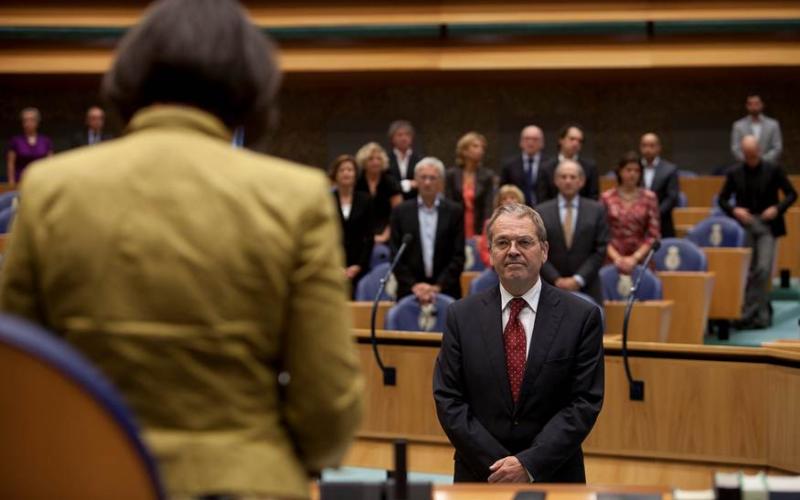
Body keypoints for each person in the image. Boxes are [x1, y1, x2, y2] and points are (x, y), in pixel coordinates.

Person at [0, 1, 363, 498]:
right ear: (250, 82)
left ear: (131, 74)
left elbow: (17, 381)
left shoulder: (50, 188)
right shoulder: (295, 197)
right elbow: (328, 410)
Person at [433, 203, 604, 483]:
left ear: (544, 250)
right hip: (480, 477)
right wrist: (500, 467)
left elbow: (584, 402)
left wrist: (529, 464)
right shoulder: (461, 316)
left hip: (554, 475)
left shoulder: (581, 317)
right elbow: (449, 399)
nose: (513, 250)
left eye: (524, 241)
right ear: (490, 253)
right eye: (502, 242)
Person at [719, 135, 797, 329]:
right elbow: (722, 200)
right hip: (745, 225)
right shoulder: (734, 172)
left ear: (759, 152)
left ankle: (750, 313)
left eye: (753, 155)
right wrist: (734, 210)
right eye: (747, 156)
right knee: (749, 272)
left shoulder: (773, 169)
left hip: (768, 226)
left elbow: (792, 194)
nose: (750, 159)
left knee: (763, 269)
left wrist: (777, 209)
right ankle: (760, 313)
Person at [390, 157, 465, 302]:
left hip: (447, 290)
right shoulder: (400, 212)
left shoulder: (454, 211)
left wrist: (437, 286)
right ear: (416, 180)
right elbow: (396, 255)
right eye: (423, 177)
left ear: (441, 182)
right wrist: (414, 286)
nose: (427, 182)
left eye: (432, 178)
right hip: (409, 291)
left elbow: (458, 256)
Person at [536, 160, 609, 305]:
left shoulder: (596, 210)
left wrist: (578, 279)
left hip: (587, 286)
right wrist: (556, 279)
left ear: (581, 181)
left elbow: (600, 250)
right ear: (556, 181)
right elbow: (537, 249)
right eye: (563, 177)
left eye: (572, 177)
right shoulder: (540, 211)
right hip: (549, 286)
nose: (568, 181)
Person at [601, 152, 660, 274]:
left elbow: (653, 235)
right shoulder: (606, 198)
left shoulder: (649, 197)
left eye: (636, 171)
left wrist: (634, 258)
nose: (632, 174)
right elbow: (601, 234)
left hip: (641, 259)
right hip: (612, 259)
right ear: (620, 172)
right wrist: (617, 258)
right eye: (628, 170)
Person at [330, 154, 373, 295]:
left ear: (355, 174)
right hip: (332, 263)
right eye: (342, 170)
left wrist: (358, 266)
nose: (346, 173)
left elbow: (369, 237)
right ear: (335, 175)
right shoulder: (327, 200)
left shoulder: (365, 200)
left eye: (350, 170)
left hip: (359, 265)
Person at [445, 131, 496, 239]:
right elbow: (448, 203)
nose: (480, 150)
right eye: (475, 146)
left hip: (478, 226)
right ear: (464, 151)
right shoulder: (451, 175)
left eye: (482, 147)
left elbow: (488, 206)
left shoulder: (487, 175)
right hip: (456, 224)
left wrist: (485, 232)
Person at [355, 141, 402, 244]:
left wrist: (385, 236)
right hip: (360, 233)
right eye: (371, 159)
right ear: (364, 162)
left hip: (387, 232)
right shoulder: (356, 182)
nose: (375, 162)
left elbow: (398, 213)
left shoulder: (391, 182)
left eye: (378, 159)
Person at [542, 124, 599, 200]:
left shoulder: (590, 167)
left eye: (579, 141)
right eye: (572, 139)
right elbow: (542, 198)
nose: (576, 143)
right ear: (561, 140)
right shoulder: (546, 168)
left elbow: (593, 197)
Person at [639, 132, 680, 238]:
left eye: (652, 146)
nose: (648, 149)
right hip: (637, 223)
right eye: (644, 146)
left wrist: (654, 215)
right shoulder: (634, 169)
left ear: (659, 148)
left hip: (663, 223)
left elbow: (672, 198)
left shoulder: (670, 169)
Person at [500, 125, 552, 207]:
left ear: (542, 143)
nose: (530, 143)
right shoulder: (509, 165)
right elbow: (503, 192)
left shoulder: (551, 164)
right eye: (527, 139)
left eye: (535, 139)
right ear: (520, 142)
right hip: (517, 211)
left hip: (544, 210)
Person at [478, 184, 525, 268]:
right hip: (495, 268)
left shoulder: (527, 223)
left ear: (520, 200)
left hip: (521, 265)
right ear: (499, 202)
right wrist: (496, 264)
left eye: (512, 198)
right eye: (504, 199)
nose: (508, 201)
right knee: (476, 282)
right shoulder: (490, 223)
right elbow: (484, 250)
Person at [6, 107, 53, 188]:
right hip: (21, 181)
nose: (28, 123)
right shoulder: (16, 141)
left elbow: (51, 163)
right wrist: (11, 183)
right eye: (25, 120)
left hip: (42, 180)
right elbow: (11, 164)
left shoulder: (45, 141)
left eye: (32, 120)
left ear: (37, 122)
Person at [731, 94, 782, 164]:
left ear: (762, 104)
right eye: (750, 104)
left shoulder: (773, 125)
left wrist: (761, 162)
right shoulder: (738, 126)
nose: (754, 107)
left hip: (768, 167)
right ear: (747, 106)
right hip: (745, 168)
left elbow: (777, 147)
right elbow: (735, 148)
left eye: (756, 104)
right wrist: (749, 162)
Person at [387, 120, 421, 200]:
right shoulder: (385, 160)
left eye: (407, 135)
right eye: (399, 135)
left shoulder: (420, 160)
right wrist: (408, 184)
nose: (404, 138)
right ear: (392, 138)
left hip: (414, 201)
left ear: (412, 138)